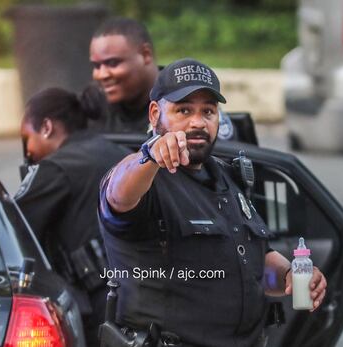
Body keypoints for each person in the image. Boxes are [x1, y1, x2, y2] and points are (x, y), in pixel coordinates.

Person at [98, 58, 327, 347]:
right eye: (183, 110)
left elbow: (253, 260)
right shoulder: (145, 177)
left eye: (208, 111)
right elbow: (119, 193)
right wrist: (150, 155)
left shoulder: (227, 177)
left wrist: (290, 276)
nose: (197, 122)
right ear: (155, 114)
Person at [14, 87, 130, 346]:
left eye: (27, 139)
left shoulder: (55, 167)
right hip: (143, 290)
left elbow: (15, 228)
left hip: (98, 304)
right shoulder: (119, 152)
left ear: (46, 127)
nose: (28, 152)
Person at [89, 17, 159, 133]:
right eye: (97, 66)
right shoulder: (93, 106)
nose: (102, 75)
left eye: (113, 63)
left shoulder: (181, 101)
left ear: (146, 55)